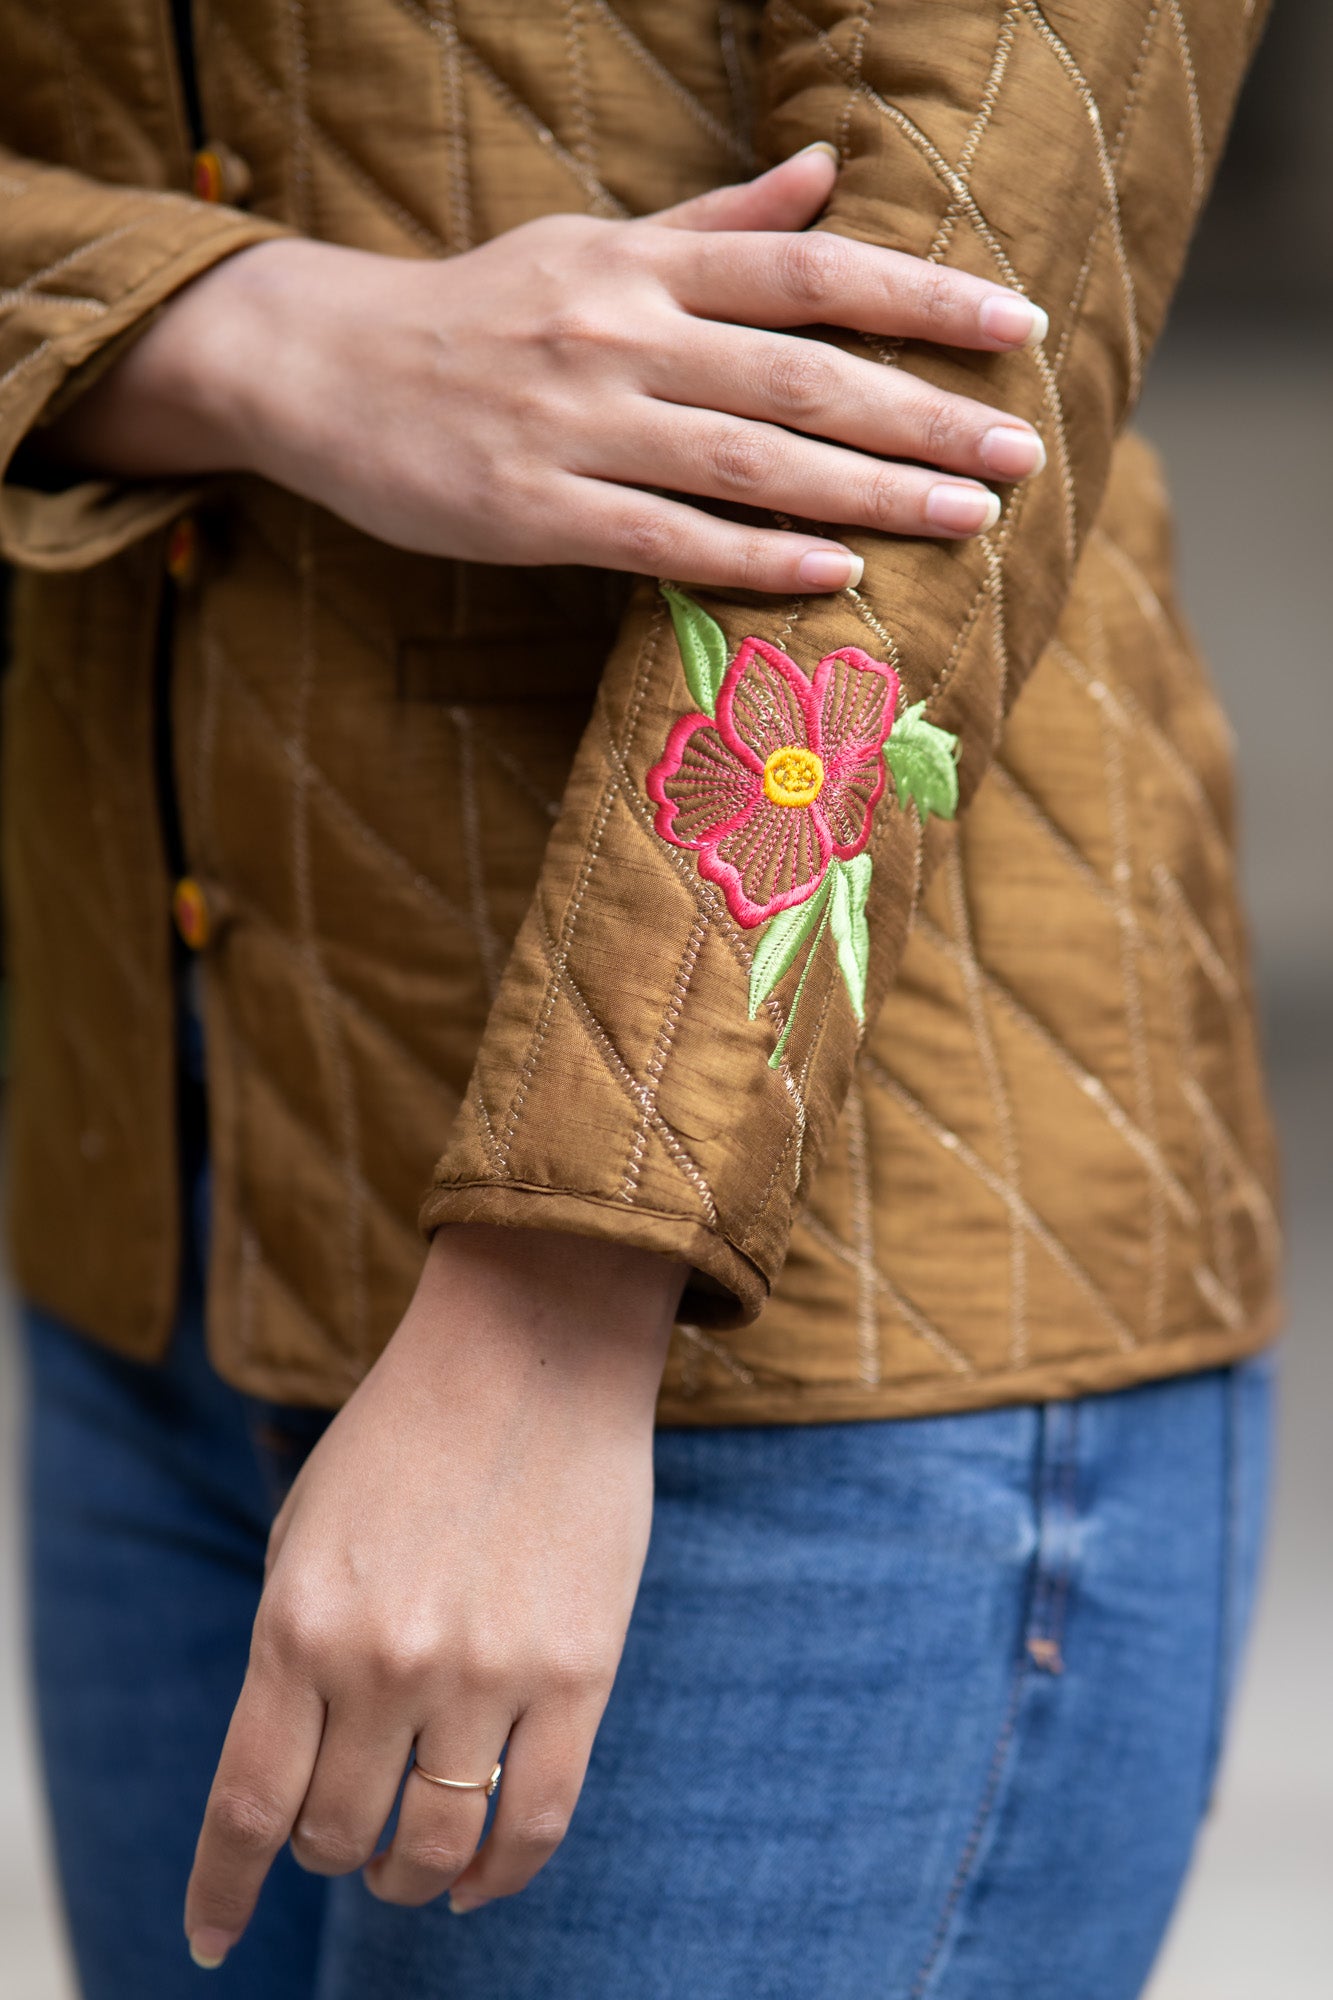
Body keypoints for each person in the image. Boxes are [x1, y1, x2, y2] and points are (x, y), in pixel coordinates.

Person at [0, 3, 1280, 1996]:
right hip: (155, 1245)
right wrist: (251, 336)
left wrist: (552, 1294)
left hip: (774, 1339)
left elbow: (932, 329)